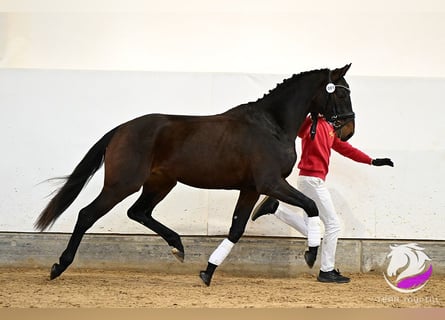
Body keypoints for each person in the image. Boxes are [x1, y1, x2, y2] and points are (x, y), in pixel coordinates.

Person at [251, 115, 393, 283]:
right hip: (313, 181)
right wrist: (311, 115)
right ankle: (327, 270)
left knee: (312, 230)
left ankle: (275, 208)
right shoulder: (311, 124)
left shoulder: (329, 129)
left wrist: (372, 161)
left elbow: (348, 150)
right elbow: (299, 128)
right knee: (333, 225)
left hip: (308, 180)